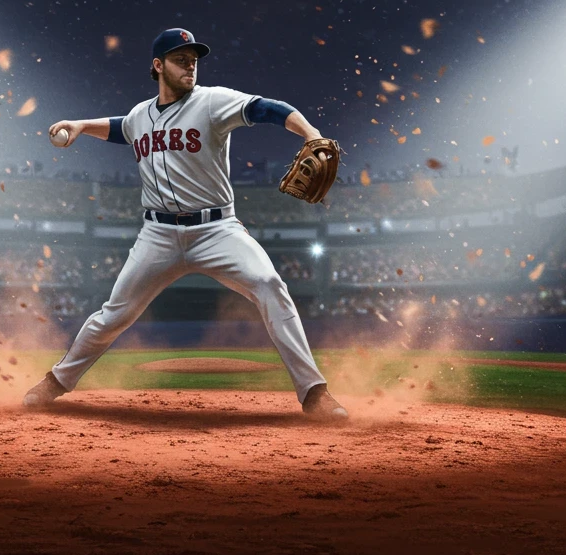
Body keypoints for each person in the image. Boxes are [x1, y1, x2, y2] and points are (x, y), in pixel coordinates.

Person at [24, 27, 347, 420]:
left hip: (217, 230)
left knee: (268, 284)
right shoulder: (141, 115)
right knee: (114, 314)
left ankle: (314, 392)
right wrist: (79, 124)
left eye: (193, 59)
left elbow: (268, 108)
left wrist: (311, 134)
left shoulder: (212, 102)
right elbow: (120, 127)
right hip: (157, 235)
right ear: (158, 66)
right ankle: (55, 382)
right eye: (180, 59)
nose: (190, 64)